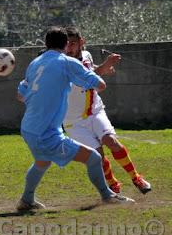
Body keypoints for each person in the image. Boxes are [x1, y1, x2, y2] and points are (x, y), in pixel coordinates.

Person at [16, 26, 134, 211]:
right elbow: (100, 85)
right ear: (65, 45)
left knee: (42, 161)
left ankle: (26, 200)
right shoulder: (67, 63)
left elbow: (20, 95)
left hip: (28, 127)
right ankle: (108, 196)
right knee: (94, 158)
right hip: (46, 132)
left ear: (46, 44)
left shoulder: (35, 63)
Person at [63, 26, 151, 194]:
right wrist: (104, 66)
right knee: (98, 156)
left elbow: (88, 68)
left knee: (112, 141)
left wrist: (104, 68)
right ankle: (113, 184)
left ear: (82, 42)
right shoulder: (63, 63)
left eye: (73, 43)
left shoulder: (86, 55)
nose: (69, 48)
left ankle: (136, 178)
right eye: (66, 44)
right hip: (73, 121)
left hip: (95, 110)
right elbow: (85, 79)